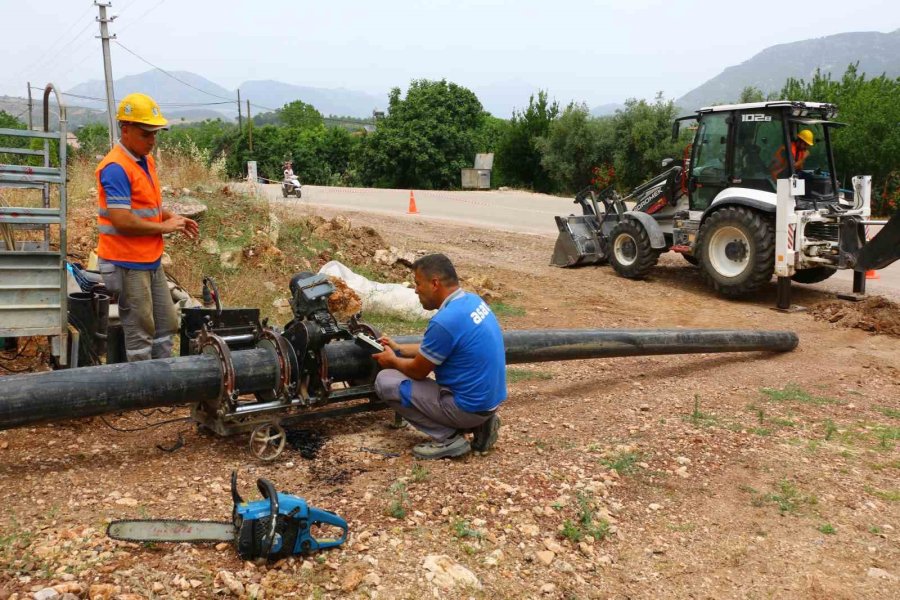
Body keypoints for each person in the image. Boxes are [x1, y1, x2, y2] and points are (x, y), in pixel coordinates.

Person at [95, 92, 199, 362]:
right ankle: (142, 389)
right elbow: (122, 219)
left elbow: (147, 207)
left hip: (147, 258)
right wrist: (165, 227)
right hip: (126, 262)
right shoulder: (116, 167)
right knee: (140, 329)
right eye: (146, 134)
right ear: (126, 130)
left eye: (155, 134)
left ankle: (162, 380)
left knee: (166, 323)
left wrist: (170, 215)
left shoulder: (144, 160)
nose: (152, 140)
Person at [372, 254, 507, 459]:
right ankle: (483, 425)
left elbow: (417, 371)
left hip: (467, 407)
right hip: (488, 402)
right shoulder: (471, 301)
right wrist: (399, 348)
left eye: (418, 283)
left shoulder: (444, 321)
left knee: (386, 381)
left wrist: (392, 361)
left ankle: (449, 438)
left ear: (434, 283)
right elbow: (443, 347)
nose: (415, 290)